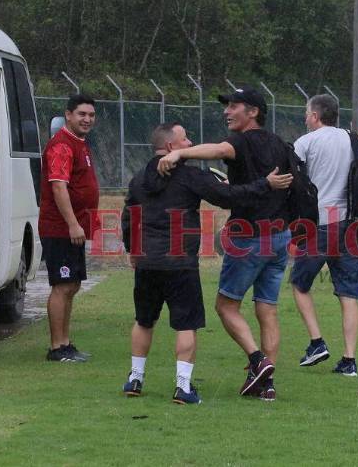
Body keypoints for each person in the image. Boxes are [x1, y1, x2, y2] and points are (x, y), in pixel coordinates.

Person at [121, 122, 293, 405]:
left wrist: (132, 249)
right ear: (170, 148)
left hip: (146, 262)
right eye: (185, 139)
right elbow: (228, 198)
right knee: (185, 325)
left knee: (143, 320)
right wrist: (266, 184)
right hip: (180, 265)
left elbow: (129, 216)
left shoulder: (138, 178)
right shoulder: (189, 175)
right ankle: (182, 387)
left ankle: (135, 379)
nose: (190, 144)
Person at [290, 94, 358, 377]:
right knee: (348, 295)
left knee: (299, 284)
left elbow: (290, 174)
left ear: (316, 116)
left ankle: (317, 342)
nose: (306, 118)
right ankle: (349, 360)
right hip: (352, 225)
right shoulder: (353, 139)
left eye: (307, 113)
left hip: (319, 224)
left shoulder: (306, 141)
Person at [38, 94, 100, 363]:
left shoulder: (80, 144)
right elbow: (58, 186)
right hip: (60, 229)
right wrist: (73, 224)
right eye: (81, 114)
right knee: (62, 286)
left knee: (72, 285)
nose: (86, 119)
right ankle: (56, 348)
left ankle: (65, 343)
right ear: (68, 115)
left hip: (74, 229)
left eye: (91, 115)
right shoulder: (62, 146)